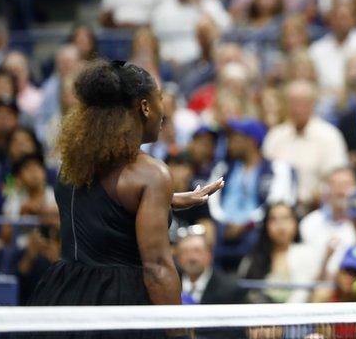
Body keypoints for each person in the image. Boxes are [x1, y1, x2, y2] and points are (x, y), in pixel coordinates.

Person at [27, 60, 223, 308]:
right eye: (159, 99)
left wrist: (165, 198)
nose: (163, 110)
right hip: (120, 305)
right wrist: (178, 332)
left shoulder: (71, 166)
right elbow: (157, 270)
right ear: (145, 107)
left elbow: (101, 208)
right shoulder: (150, 174)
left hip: (64, 297)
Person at [207, 118, 297, 247]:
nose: (229, 143)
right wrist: (224, 222)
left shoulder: (277, 168)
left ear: (251, 142)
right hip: (222, 228)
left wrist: (246, 224)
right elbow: (211, 200)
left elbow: (278, 201)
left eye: (235, 138)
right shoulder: (223, 168)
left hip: (257, 229)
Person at [262, 79, 349, 206]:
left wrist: (317, 196)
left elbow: (338, 178)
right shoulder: (275, 136)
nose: (297, 108)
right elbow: (264, 173)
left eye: (302, 103)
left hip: (316, 206)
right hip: (278, 207)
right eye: (293, 103)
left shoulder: (329, 136)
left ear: (312, 104)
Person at [237, 203, 323, 304]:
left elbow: (314, 292)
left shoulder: (308, 255)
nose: (280, 225)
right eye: (274, 220)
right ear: (266, 225)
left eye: (285, 218)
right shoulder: (252, 259)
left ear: (295, 222)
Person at [175, 229, 244, 304]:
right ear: (178, 257)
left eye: (197, 251)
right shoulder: (169, 286)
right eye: (185, 252)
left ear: (209, 255)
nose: (192, 258)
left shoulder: (229, 289)